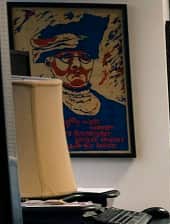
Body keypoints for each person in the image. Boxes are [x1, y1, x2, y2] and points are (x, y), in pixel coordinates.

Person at [30, 13, 131, 154]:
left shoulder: (119, 111)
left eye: (85, 57)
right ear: (49, 63)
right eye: (66, 57)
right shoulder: (40, 114)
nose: (77, 65)